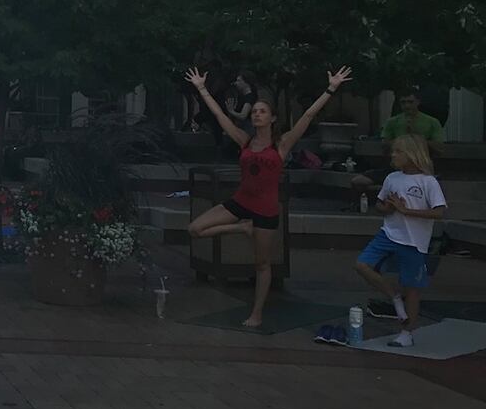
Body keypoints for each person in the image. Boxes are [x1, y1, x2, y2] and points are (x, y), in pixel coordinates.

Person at [186, 64, 351, 328]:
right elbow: (220, 117)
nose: (256, 115)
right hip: (240, 202)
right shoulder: (244, 140)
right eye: (254, 112)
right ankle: (242, 228)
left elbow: (308, 116)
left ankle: (257, 313)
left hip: (265, 210)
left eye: (262, 112)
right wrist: (202, 89)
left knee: (262, 264)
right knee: (195, 229)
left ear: (272, 118)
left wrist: (331, 88)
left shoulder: (282, 144)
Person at [352, 135, 446, 348]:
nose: (393, 155)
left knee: (412, 287)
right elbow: (380, 205)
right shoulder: (392, 178)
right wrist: (389, 208)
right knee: (362, 264)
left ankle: (406, 332)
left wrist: (407, 211)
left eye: (398, 152)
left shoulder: (428, 182)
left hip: (413, 241)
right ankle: (393, 295)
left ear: (412, 154)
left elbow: (439, 212)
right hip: (389, 233)